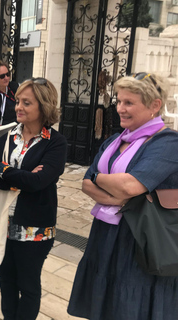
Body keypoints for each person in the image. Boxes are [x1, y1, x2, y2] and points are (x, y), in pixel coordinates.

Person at [67, 73, 178, 320]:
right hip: (105, 233)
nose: (120, 109)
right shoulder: (115, 141)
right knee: (104, 302)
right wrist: (104, 185)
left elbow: (129, 187)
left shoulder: (168, 143)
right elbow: (86, 182)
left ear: (154, 106)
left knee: (129, 304)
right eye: (119, 101)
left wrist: (100, 178)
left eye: (129, 102)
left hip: (140, 240)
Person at [0, 78, 67, 320]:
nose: (18, 106)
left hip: (35, 228)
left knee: (28, 287)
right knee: (6, 281)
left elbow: (39, 183)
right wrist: (20, 177)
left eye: (26, 103)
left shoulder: (56, 143)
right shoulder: (7, 134)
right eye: (18, 101)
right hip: (3, 223)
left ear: (44, 106)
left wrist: (4, 169)